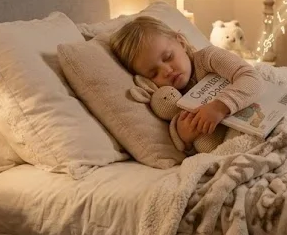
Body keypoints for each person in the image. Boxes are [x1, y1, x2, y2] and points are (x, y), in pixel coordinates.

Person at [109, 16, 262, 153]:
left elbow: (251, 78)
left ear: (181, 42)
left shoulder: (208, 58)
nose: (167, 71)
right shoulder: (168, 97)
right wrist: (184, 137)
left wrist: (219, 106)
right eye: (153, 73)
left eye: (168, 57)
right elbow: (185, 147)